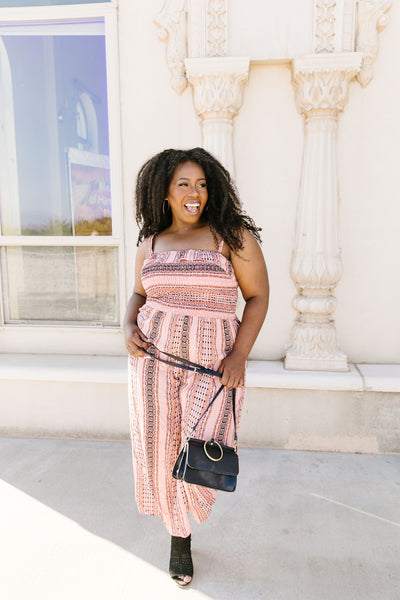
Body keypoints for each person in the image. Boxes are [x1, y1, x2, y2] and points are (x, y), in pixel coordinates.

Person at [124, 147, 269, 587]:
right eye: (183, 184)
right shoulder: (151, 243)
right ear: (164, 193)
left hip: (212, 369)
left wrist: (239, 354)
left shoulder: (231, 235)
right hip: (153, 367)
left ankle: (185, 518)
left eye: (202, 184)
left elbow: (258, 296)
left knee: (203, 450)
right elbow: (139, 294)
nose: (195, 193)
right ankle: (178, 536)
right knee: (163, 450)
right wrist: (128, 324)